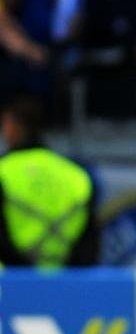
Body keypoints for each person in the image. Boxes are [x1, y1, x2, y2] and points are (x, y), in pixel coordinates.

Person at [0, 96, 97, 267]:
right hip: (64, 284)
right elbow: (89, 244)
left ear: (14, 127)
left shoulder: (4, 171)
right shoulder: (77, 175)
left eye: (5, 124)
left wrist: (26, 273)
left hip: (10, 284)